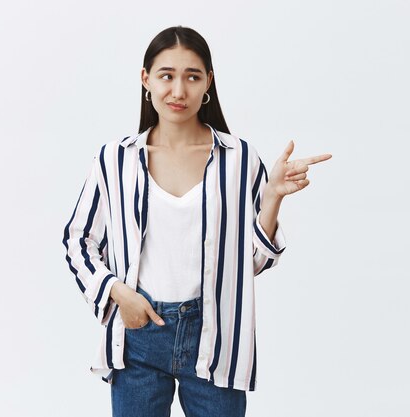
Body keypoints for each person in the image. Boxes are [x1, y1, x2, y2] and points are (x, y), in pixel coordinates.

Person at [62, 25, 331, 417]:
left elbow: (254, 262)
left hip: (215, 336)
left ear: (208, 82)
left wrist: (272, 197)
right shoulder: (114, 161)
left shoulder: (238, 159)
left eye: (192, 76)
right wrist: (117, 293)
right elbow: (77, 240)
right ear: (145, 79)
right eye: (166, 75)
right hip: (138, 333)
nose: (178, 91)